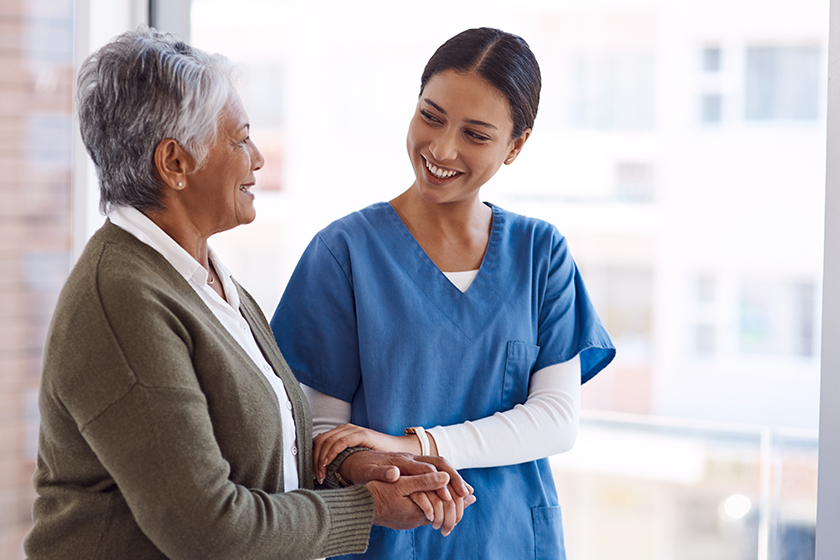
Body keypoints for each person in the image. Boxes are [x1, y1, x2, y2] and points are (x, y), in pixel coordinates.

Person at [24, 26, 474, 560]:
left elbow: (244, 452)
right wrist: (367, 506)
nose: (257, 158)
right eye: (239, 139)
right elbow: (208, 529)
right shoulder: (123, 299)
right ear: (174, 164)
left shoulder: (204, 279)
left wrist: (350, 466)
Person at [270, 27, 616, 559]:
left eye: (476, 135)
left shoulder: (540, 253)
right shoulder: (343, 253)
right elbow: (325, 435)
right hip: (389, 540)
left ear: (516, 146)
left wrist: (417, 445)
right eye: (431, 116)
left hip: (512, 539)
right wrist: (380, 463)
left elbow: (555, 419)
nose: (442, 148)